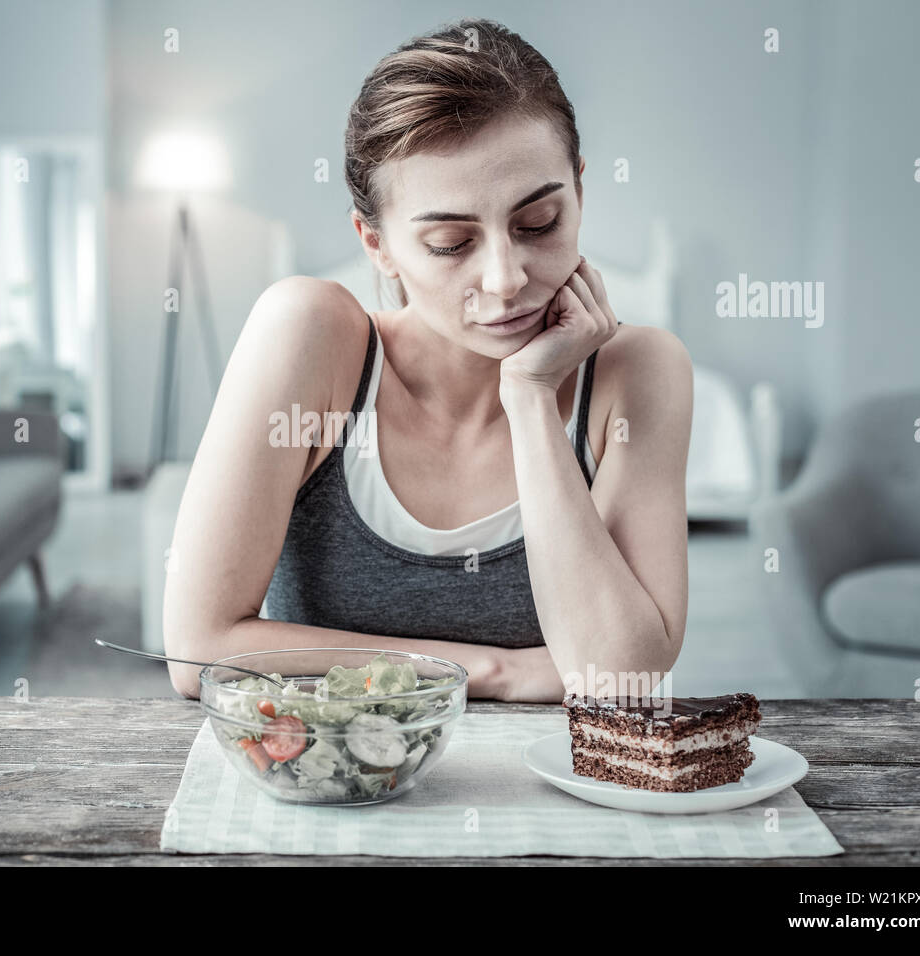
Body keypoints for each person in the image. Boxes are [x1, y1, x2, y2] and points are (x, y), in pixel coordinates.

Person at [165, 18, 692, 702]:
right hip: (334, 794)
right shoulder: (311, 336)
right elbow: (199, 649)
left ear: (580, 193)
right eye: (449, 242)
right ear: (377, 244)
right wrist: (494, 670)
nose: (506, 279)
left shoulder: (638, 373)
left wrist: (530, 398)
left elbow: (621, 678)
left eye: (539, 224)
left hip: (552, 797)